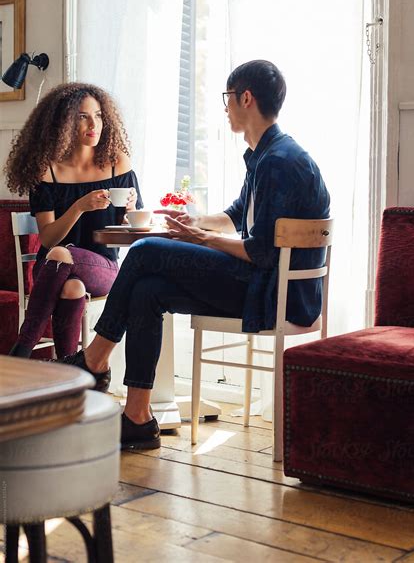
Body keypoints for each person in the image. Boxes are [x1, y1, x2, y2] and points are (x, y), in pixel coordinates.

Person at [60, 60, 330, 451]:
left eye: (228, 98)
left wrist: (200, 239)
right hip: (267, 284)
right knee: (147, 290)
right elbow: (238, 214)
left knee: (146, 249)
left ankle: (95, 359)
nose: (226, 107)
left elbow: (263, 253)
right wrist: (195, 222)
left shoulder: (278, 162)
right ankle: (137, 417)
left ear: (246, 98)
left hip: (274, 294)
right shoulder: (268, 154)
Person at [5, 82, 143, 363]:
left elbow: (131, 229)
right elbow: (48, 240)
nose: (94, 124)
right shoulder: (48, 171)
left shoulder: (118, 163)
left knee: (62, 257)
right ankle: (70, 372)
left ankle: (21, 350)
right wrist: (79, 207)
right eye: (83, 116)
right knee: (72, 288)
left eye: (99, 115)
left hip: (102, 266)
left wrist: (129, 211)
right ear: (63, 123)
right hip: (53, 265)